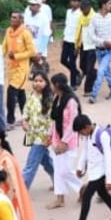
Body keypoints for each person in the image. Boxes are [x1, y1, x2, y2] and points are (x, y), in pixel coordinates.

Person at [63, 114, 111, 220]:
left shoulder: (102, 135)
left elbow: (108, 156)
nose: (81, 135)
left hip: (100, 172)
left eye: (81, 132)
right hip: (94, 171)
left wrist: (110, 179)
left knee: (86, 197)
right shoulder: (88, 134)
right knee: (103, 194)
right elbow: (85, 151)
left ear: (87, 127)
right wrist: (80, 167)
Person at [47, 73, 81, 212]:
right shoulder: (57, 98)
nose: (51, 87)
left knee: (65, 170)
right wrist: (49, 135)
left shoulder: (71, 101)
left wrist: (64, 141)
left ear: (57, 85)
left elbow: (72, 123)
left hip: (69, 139)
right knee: (58, 169)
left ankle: (82, 188)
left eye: (53, 84)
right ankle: (60, 198)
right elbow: (54, 120)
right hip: (57, 137)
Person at [19, 71, 55, 192]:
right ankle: (58, 179)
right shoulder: (31, 96)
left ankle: (23, 189)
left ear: (46, 83)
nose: (38, 83)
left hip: (43, 136)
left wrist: (50, 137)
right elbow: (26, 111)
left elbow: (53, 120)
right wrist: (24, 121)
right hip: (32, 134)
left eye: (41, 81)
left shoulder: (49, 98)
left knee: (31, 163)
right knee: (46, 161)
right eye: (35, 81)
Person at [3, 11, 36, 122]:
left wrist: (16, 56)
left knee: (11, 91)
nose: (12, 19)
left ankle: (10, 119)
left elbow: (32, 52)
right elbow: (4, 46)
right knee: (21, 93)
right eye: (11, 17)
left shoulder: (26, 33)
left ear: (21, 20)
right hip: (11, 68)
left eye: (15, 18)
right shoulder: (8, 31)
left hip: (22, 69)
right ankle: (26, 116)